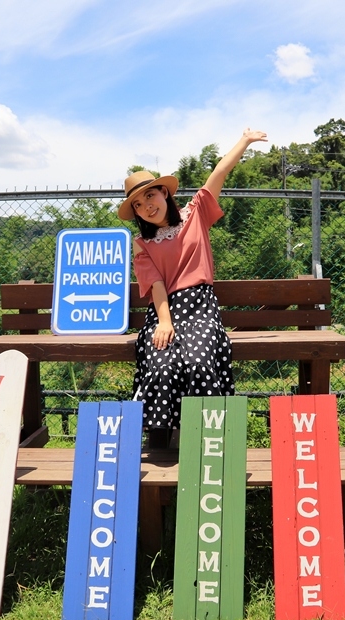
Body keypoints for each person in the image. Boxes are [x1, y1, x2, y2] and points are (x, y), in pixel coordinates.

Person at [118, 129, 268, 448]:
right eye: (139, 204)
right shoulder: (142, 244)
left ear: (164, 193)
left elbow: (219, 171)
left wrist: (244, 141)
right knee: (161, 363)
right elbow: (156, 285)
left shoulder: (195, 213)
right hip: (165, 311)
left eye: (151, 196)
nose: (147, 206)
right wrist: (165, 321)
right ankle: (157, 445)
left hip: (200, 308)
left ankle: (205, 443)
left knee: (199, 360)